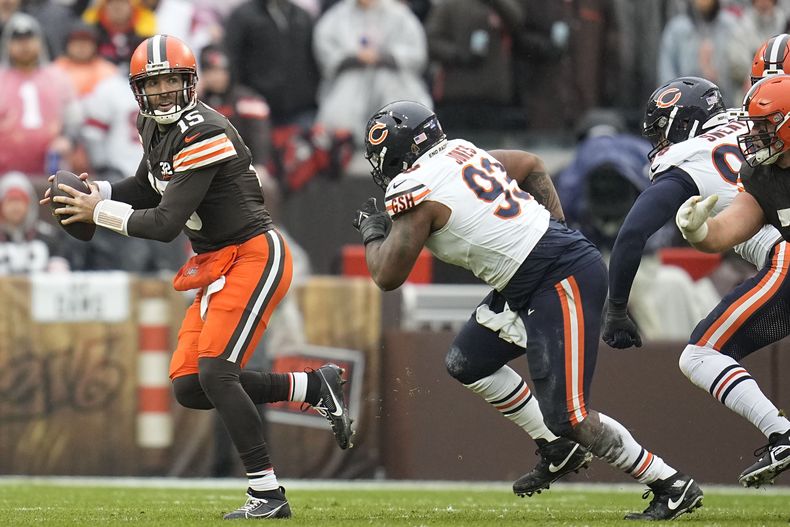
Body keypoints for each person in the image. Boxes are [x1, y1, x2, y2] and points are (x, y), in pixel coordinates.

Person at [42, 34, 354, 520]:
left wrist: (96, 210)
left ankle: (267, 493)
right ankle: (312, 389)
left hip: (253, 254)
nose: (163, 92)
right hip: (216, 263)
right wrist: (94, 189)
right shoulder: (152, 125)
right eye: (154, 83)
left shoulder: (203, 129)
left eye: (171, 81)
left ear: (190, 83)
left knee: (216, 372)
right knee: (191, 385)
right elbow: (147, 187)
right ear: (139, 90)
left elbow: (166, 224)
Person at [354, 100, 703, 520]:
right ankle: (556, 448)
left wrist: (374, 234)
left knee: (570, 415)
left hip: (560, 278)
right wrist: (555, 226)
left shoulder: (413, 189)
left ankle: (670, 483)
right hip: (531, 278)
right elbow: (531, 164)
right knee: (468, 362)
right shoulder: (458, 151)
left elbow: (387, 275)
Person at [603, 74, 790, 488]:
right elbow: (730, 226)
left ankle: (782, 435)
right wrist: (701, 233)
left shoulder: (686, 160)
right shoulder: (752, 125)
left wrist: (616, 308)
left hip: (783, 257)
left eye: (658, 130)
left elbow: (633, 233)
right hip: (772, 244)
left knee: (700, 354)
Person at [676, 73, 790, 487]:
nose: (754, 135)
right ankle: (782, 435)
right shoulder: (761, 174)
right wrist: (698, 231)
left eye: (764, 125)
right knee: (700, 354)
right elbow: (730, 229)